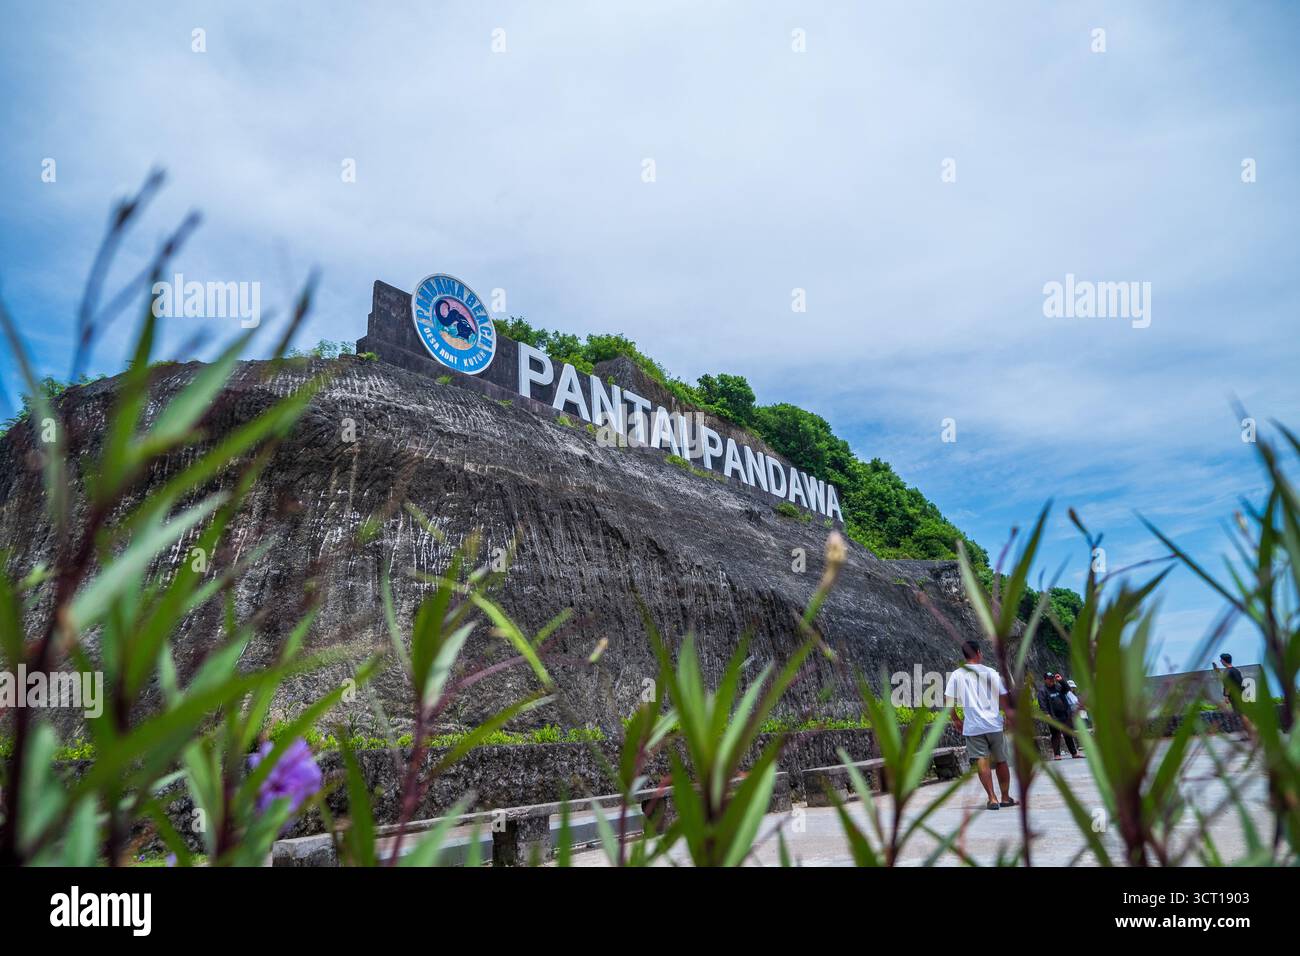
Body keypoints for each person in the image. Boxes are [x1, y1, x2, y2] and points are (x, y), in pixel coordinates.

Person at [944, 640, 1017, 810]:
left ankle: (992, 798)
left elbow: (948, 701)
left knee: (981, 760)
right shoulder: (991, 673)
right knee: (1001, 761)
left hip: (973, 727)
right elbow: (1004, 697)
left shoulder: (957, 674)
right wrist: (1008, 716)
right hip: (994, 725)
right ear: (978, 652)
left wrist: (955, 719)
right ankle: (1005, 797)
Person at [1037, 672, 1079, 759]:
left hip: (1064, 714)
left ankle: (1074, 753)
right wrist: (1046, 714)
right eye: (1049, 679)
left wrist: (1061, 680)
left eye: (1052, 678)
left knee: (1068, 733)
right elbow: (1042, 703)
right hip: (1053, 716)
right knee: (1055, 734)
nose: (1051, 680)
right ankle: (1057, 754)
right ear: (1045, 680)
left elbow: (1067, 689)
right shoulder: (1043, 691)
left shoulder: (1058, 687)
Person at [1212, 652, 1253, 741]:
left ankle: (1251, 734)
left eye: (1221, 660)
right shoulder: (1235, 670)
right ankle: (1250, 734)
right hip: (1242, 695)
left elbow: (1228, 685)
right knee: (1244, 714)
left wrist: (1226, 696)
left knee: (1243, 715)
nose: (1220, 661)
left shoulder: (1228, 672)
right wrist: (1218, 671)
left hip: (1236, 697)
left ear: (1223, 661)